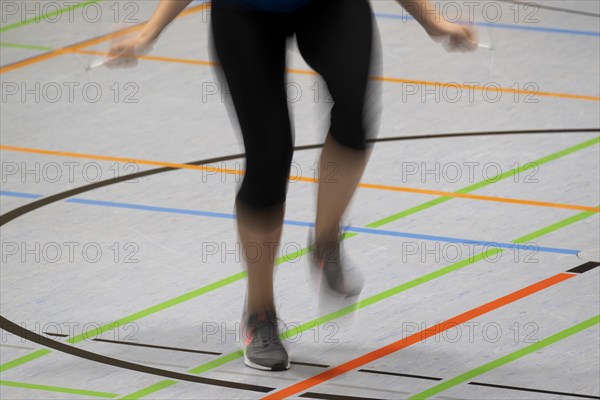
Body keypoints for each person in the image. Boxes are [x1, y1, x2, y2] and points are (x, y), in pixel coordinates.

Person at [107, 0, 477, 371]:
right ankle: (260, 314)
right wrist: (149, 31)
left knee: (354, 113)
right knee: (269, 153)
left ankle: (326, 241)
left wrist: (432, 20)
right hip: (244, 14)